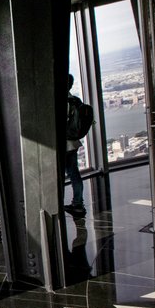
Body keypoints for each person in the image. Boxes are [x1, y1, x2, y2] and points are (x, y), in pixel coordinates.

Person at [64, 75, 85, 218]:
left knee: (67, 174)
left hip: (64, 144)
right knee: (74, 174)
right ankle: (78, 203)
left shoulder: (62, 102)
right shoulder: (75, 100)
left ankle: (75, 203)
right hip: (73, 143)